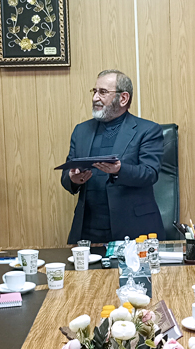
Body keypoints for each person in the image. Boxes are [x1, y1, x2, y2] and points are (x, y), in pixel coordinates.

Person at [60, 70, 164, 244]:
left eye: (102, 92)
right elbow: (67, 176)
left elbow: (149, 173)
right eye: (94, 91)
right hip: (88, 230)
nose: (95, 98)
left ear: (123, 98)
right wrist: (73, 179)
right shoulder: (81, 131)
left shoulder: (147, 130)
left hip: (133, 229)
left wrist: (119, 170)